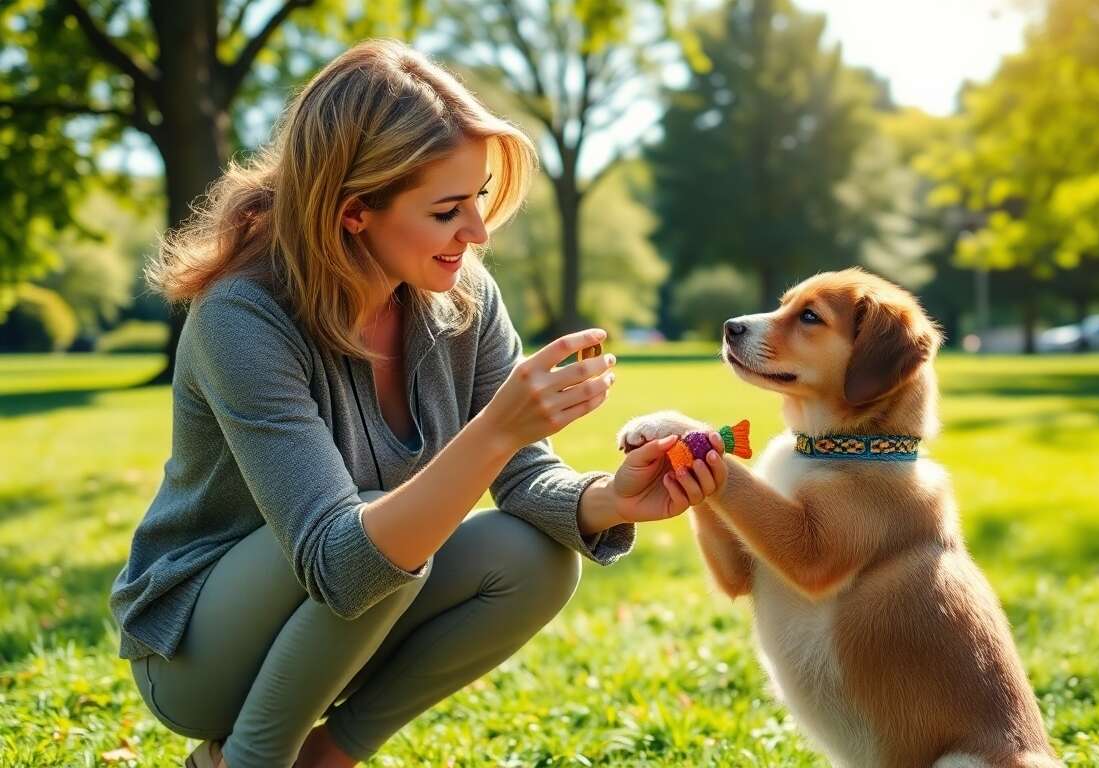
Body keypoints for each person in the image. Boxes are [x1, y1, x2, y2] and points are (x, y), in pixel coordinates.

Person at [108, 39, 727, 768]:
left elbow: (526, 482)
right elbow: (340, 560)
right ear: (353, 213)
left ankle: (328, 756)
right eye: (446, 210)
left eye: (477, 199)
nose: (477, 232)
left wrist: (612, 498)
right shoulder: (242, 319)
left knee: (536, 559)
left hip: (348, 619)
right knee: (383, 527)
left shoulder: (462, 299)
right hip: (198, 655)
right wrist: (495, 427)